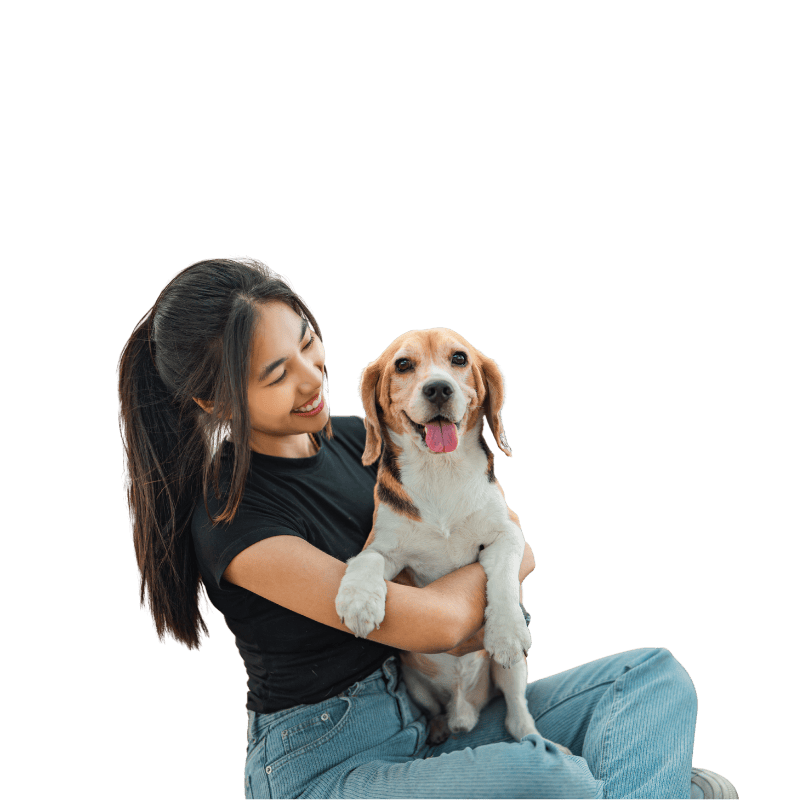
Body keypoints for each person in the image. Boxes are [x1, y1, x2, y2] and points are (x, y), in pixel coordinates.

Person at [116, 256, 738, 800]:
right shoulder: (231, 518)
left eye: (307, 344)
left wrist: (502, 559)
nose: (310, 379)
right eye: (275, 375)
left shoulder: (368, 443)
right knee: (553, 782)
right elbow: (436, 622)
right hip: (328, 766)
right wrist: (494, 575)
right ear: (214, 400)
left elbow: (514, 534)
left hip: (436, 714)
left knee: (652, 677)